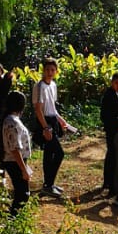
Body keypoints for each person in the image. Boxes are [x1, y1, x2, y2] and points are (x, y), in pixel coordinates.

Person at [31, 58, 76, 197]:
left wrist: (62, 121)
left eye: (52, 70)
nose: (50, 72)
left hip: (52, 120)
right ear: (43, 70)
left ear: (56, 71)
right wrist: (45, 128)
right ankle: (48, 185)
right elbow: (38, 109)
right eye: (47, 70)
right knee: (59, 153)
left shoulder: (53, 85)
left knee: (49, 153)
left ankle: (48, 184)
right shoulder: (39, 86)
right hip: (44, 122)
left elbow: (53, 108)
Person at [1, 90, 33, 213]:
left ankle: (14, 218)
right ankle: (13, 218)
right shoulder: (12, 122)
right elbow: (15, 148)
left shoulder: (12, 119)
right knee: (22, 195)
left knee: (22, 193)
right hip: (14, 161)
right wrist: (24, 169)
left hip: (17, 161)